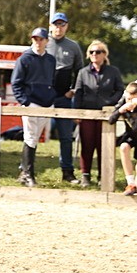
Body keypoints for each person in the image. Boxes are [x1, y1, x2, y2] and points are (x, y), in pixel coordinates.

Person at [71, 39, 125, 187]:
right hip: (87, 113)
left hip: (106, 115)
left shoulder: (113, 71)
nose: (95, 54)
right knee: (87, 145)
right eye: (92, 52)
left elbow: (120, 90)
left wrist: (110, 103)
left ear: (104, 54)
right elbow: (78, 93)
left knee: (104, 146)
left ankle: (103, 175)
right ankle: (85, 175)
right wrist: (77, 113)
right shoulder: (83, 72)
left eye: (98, 52)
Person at [10, 27, 57, 187]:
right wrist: (25, 102)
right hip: (31, 103)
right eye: (35, 39)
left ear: (46, 41)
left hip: (46, 103)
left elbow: (53, 81)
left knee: (35, 138)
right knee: (30, 137)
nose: (38, 42)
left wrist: (52, 97)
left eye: (41, 39)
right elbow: (16, 83)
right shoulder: (24, 59)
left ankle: (24, 171)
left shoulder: (51, 60)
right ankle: (28, 174)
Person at [46, 12, 84, 183]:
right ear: (50, 26)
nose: (58, 28)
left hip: (64, 97)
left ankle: (67, 172)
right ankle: (26, 170)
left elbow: (80, 72)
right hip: (43, 97)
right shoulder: (43, 42)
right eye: (56, 24)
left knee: (66, 136)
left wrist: (73, 90)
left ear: (66, 26)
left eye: (62, 25)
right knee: (32, 134)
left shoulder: (73, 46)